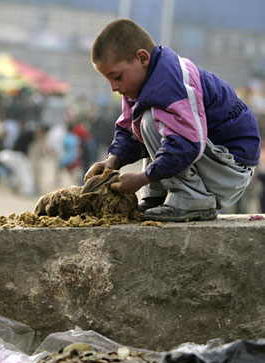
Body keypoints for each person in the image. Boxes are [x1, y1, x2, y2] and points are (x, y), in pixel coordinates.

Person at [84, 19, 261, 222]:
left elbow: (187, 144)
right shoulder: (140, 86)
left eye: (116, 77)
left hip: (231, 168)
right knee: (146, 122)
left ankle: (191, 199)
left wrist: (142, 179)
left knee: (151, 121)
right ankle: (158, 197)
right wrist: (113, 160)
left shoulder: (172, 83)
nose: (114, 87)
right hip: (207, 159)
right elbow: (129, 132)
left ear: (142, 58)